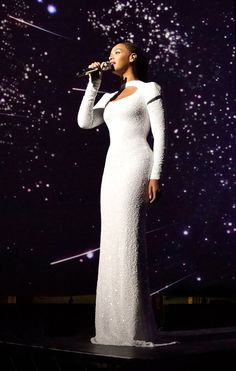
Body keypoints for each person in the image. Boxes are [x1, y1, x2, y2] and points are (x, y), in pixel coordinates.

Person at [77, 42, 175, 347]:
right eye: (109, 53)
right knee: (112, 239)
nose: (110, 56)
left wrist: (155, 173)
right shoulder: (109, 96)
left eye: (116, 52)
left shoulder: (148, 88)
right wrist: (93, 85)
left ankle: (134, 327)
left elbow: (160, 133)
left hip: (137, 164)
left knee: (129, 237)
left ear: (131, 57)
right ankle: (112, 327)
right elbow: (85, 122)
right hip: (113, 168)